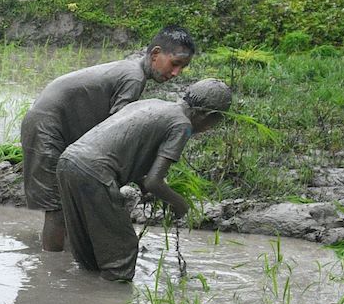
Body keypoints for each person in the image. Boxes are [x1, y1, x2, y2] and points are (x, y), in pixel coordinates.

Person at [21, 25, 196, 254]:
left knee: (68, 201)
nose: (176, 73)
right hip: (48, 126)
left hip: (53, 123)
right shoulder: (134, 79)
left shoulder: (130, 70)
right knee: (58, 207)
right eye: (174, 64)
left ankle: (67, 256)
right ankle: (51, 269)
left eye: (182, 68)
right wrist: (142, 177)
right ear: (155, 54)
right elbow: (117, 132)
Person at [58, 79, 232, 282]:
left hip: (68, 161)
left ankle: (84, 295)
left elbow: (128, 150)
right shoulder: (182, 126)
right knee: (122, 252)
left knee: (88, 250)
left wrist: (141, 184)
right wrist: (179, 204)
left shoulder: (152, 103)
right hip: (95, 172)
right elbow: (154, 182)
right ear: (208, 116)